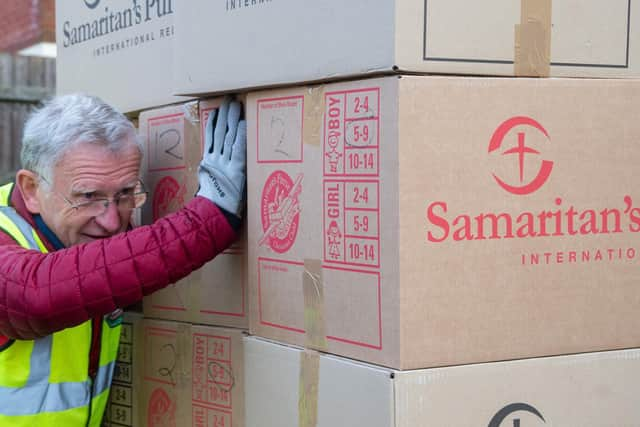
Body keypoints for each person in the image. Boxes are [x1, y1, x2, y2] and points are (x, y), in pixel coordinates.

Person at [0, 93, 246, 426]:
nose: (113, 222)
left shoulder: (94, 233)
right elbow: (31, 296)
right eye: (88, 197)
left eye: (126, 194)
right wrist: (207, 220)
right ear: (30, 189)